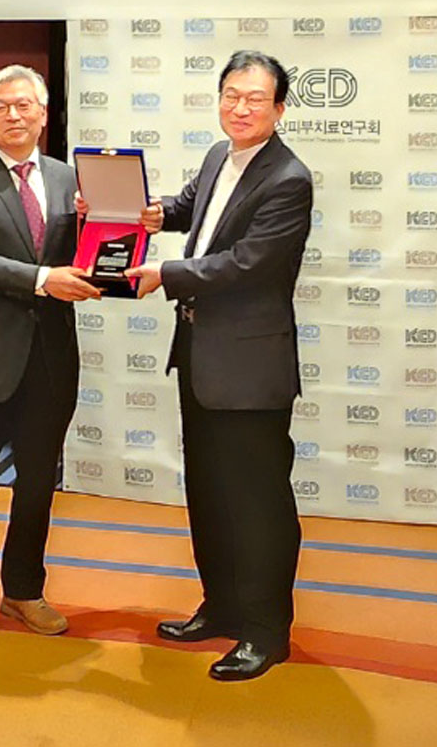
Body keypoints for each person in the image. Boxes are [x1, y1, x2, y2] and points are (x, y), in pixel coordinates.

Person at [127, 50, 313, 682]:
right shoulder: (218, 156)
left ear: (279, 108)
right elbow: (194, 209)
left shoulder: (288, 178)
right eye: (231, 95)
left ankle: (266, 631)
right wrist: (156, 212)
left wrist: (165, 272)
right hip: (200, 356)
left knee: (258, 501)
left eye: (255, 98)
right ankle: (222, 606)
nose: (240, 107)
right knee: (208, 492)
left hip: (250, 367)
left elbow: (248, 263)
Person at [0, 64, 101, 651]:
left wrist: (110, 229)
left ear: (44, 113)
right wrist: (41, 279)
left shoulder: (69, 179)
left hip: (51, 357)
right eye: (0, 107)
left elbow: (88, 253)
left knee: (37, 485)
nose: (13, 115)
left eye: (23, 105)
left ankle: (25, 590)